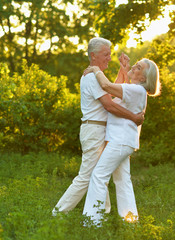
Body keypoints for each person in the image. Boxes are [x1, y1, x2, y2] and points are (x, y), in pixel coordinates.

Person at [52, 37, 144, 215]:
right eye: (105, 54)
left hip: (102, 130)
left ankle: (101, 213)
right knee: (87, 176)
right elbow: (109, 105)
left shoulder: (98, 76)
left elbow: (114, 89)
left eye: (110, 54)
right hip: (94, 130)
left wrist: (123, 70)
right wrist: (133, 117)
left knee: (100, 175)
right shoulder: (92, 77)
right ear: (93, 56)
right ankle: (58, 213)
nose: (109, 57)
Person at [82, 55, 161, 225]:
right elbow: (118, 89)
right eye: (136, 64)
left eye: (139, 68)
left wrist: (95, 69)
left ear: (144, 78)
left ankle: (91, 222)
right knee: (122, 181)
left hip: (120, 141)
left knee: (98, 176)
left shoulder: (137, 90)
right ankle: (130, 222)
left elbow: (106, 86)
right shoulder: (134, 90)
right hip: (124, 142)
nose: (135, 66)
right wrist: (124, 69)